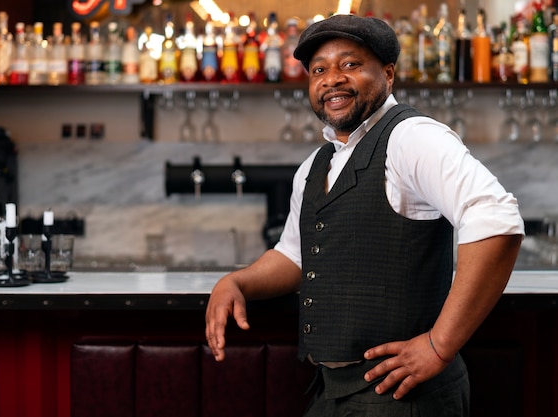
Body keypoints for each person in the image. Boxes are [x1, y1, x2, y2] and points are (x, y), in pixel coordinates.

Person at [205, 13, 524, 416]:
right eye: (319, 69)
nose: (331, 78)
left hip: (404, 398)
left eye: (350, 64)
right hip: (331, 392)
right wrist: (238, 282)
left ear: (388, 74)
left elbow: (497, 220)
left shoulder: (412, 137)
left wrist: (438, 345)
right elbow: (295, 256)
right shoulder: (314, 167)